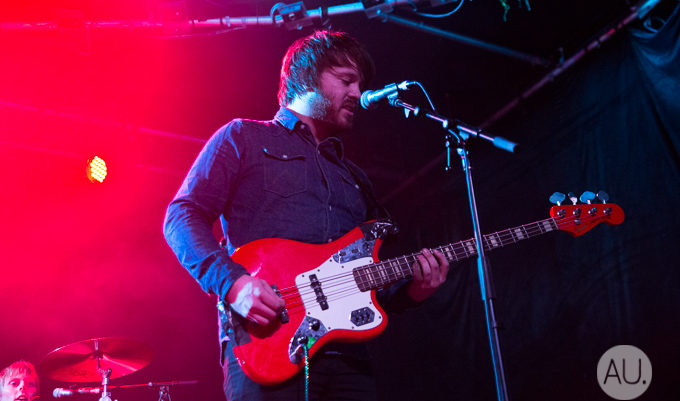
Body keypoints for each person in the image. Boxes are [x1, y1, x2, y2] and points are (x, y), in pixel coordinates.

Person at [163, 30, 450, 401]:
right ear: (308, 77)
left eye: (359, 84)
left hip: (349, 358)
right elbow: (181, 215)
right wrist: (233, 284)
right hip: (268, 343)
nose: (357, 93)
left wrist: (413, 291)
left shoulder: (354, 178)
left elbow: (368, 280)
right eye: (346, 80)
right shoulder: (243, 137)